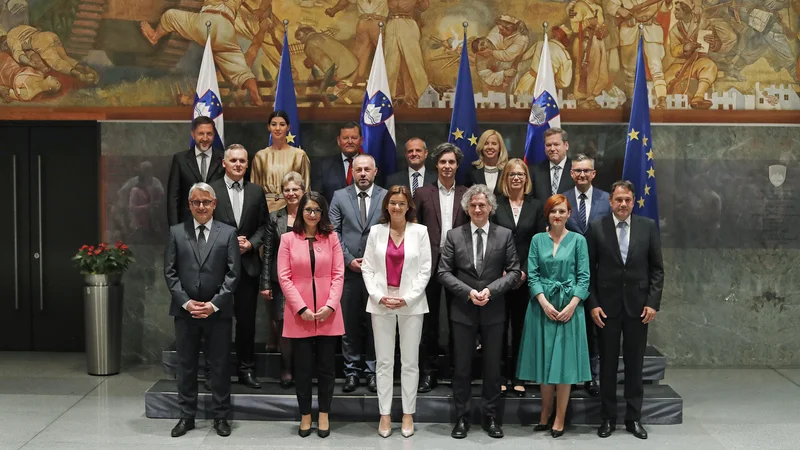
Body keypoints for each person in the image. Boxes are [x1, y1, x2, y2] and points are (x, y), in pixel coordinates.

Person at [438, 184, 521, 439]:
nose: (477, 209)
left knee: (493, 368)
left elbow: (515, 271)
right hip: (463, 311)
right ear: (466, 208)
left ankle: (491, 417)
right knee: (462, 368)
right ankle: (461, 417)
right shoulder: (453, 235)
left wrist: (491, 291)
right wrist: (468, 292)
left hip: (494, 311)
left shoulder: (504, 235)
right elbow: (443, 272)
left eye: (482, 205)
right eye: (472, 205)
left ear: (490, 208)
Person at [586, 180, 664, 440]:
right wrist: (593, 304)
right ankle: (607, 418)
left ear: (633, 201)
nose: (622, 204)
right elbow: (588, 272)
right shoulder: (596, 228)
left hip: (639, 308)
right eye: (618, 200)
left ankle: (633, 419)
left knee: (634, 365)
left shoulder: (648, 227)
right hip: (606, 309)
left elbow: (657, 269)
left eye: (627, 200)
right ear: (610, 202)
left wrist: (652, 303)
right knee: (607, 366)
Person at [164, 182, 240, 438]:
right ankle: (187, 417)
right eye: (196, 202)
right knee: (186, 366)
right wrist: (187, 302)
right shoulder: (176, 232)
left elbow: (233, 274)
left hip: (218, 313)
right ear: (189, 204)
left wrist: (212, 305)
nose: (201, 207)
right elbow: (170, 273)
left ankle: (221, 417)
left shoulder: (228, 233)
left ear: (214, 204)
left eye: (206, 202)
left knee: (219, 366)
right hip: (185, 312)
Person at [517, 194, 591, 438]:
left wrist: (572, 305)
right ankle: (545, 412)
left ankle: (560, 416)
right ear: (547, 214)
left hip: (570, 308)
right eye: (553, 211)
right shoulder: (538, 240)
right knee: (544, 361)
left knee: (564, 365)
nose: (557, 215)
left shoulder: (579, 241)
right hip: (542, 307)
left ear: (569, 213)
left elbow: (584, 276)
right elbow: (533, 275)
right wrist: (543, 302)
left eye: (562, 211)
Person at [362, 185, 432, 438]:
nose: (397, 207)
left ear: (408, 207)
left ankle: (407, 414)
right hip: (380, 302)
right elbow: (367, 268)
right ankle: (384, 415)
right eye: (393, 203)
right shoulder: (376, 232)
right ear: (386, 206)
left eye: (402, 203)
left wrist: (407, 298)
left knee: (410, 362)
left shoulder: (420, 232)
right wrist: (379, 296)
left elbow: (425, 270)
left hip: (411, 304)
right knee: (384, 362)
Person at [277, 190, 344, 439]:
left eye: (317, 210)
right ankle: (306, 414)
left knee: (327, 368)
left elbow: (338, 274)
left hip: (328, 312)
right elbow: (283, 277)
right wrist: (300, 308)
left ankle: (324, 413)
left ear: (323, 212)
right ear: (301, 212)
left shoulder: (332, 238)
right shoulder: (287, 239)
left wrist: (330, 305)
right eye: (308, 210)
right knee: (303, 368)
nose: (313, 214)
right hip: (299, 314)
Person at [209, 144, 270, 389]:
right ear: (224, 163)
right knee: (217, 322)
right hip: (217, 268)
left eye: (242, 161)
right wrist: (229, 243)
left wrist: (252, 244)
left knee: (246, 322)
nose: (237, 165)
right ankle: (216, 371)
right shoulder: (211, 190)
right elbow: (202, 224)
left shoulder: (256, 192)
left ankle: (246, 369)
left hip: (247, 266)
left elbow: (265, 227)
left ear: (247, 164)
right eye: (233, 160)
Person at [413, 142, 469, 392]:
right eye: (443, 162)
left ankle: (459, 371)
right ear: (436, 164)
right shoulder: (423, 194)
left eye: (452, 162)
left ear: (458, 165)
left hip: (460, 266)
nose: (447, 166)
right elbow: (414, 230)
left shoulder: (467, 194)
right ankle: (429, 372)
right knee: (429, 321)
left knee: (459, 319)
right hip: (429, 264)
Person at [329, 154, 388, 393]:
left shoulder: (386, 197)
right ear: (352, 172)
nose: (363, 173)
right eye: (358, 169)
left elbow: (392, 231)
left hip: (379, 273)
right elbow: (333, 233)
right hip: (349, 272)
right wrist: (349, 260)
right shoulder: (339, 196)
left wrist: (373, 261)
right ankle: (352, 371)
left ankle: (373, 371)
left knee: (377, 324)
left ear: (376, 172)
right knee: (350, 323)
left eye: (367, 169)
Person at [491, 158, 545, 397]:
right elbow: (491, 240)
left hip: (525, 276)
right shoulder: (495, 205)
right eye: (511, 174)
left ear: (526, 178)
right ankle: (501, 375)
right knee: (499, 328)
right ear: (505, 178)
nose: (516, 178)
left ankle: (520, 375)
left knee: (522, 328)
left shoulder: (536, 206)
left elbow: (537, 242)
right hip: (499, 276)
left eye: (520, 174)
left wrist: (523, 270)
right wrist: (503, 271)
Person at [563, 153, 611, 395]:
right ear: (571, 174)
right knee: (571, 326)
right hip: (569, 275)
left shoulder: (607, 199)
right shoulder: (563, 199)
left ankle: (594, 376)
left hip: (600, 273)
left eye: (586, 171)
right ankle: (570, 375)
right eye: (577, 171)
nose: (582, 174)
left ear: (593, 174)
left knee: (595, 326)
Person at [260, 171, 306, 388]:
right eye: (286, 190)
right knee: (283, 325)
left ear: (303, 191)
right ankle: (286, 368)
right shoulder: (274, 217)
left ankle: (303, 369)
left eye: (295, 189)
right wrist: (266, 283)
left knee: (305, 325)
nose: (290, 193)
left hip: (307, 280)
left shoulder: (311, 215)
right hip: (281, 281)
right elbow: (268, 252)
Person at [167, 116, 225, 227]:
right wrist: (174, 229)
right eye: (200, 134)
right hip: (187, 222)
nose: (205, 138)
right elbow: (173, 197)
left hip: (217, 222)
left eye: (209, 134)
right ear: (193, 134)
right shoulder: (180, 159)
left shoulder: (224, 158)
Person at [250, 110, 311, 212]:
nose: (277, 128)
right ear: (268, 127)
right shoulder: (260, 156)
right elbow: (254, 191)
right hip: (266, 209)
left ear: (288, 127)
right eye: (274, 124)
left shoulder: (299, 155)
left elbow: (306, 188)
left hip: (293, 208)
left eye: (282, 124)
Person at [311, 121, 362, 204]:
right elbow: (318, 198)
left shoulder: (371, 166)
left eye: (354, 138)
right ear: (338, 141)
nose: (349, 141)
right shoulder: (324, 166)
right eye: (345, 138)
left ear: (361, 140)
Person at [531, 127, 575, 201]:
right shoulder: (535, 171)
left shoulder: (576, 169)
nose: (552, 149)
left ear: (566, 145)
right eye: (548, 145)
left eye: (556, 144)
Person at [465, 129, 509, 194]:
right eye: (486, 144)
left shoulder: (507, 170)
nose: (490, 147)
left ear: (500, 148)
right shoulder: (472, 170)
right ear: (481, 147)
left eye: (494, 144)